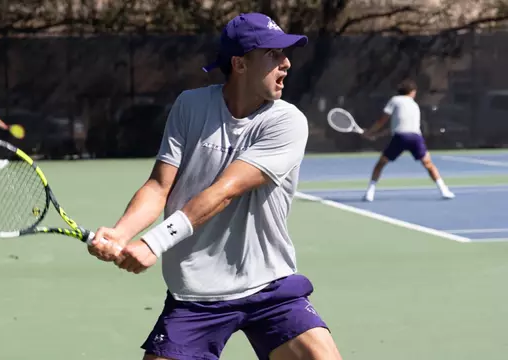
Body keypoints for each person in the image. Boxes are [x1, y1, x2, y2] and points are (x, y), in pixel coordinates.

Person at [88, 12, 342, 360]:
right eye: (273, 55)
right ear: (239, 63)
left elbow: (225, 190)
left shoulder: (287, 121)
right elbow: (159, 185)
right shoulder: (190, 106)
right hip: (195, 293)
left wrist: (153, 241)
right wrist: (121, 232)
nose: (286, 64)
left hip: (269, 283)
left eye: (286, 54)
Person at [361, 79, 455, 201]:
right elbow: (399, 127)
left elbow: (383, 121)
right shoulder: (413, 105)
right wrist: (375, 134)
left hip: (401, 137)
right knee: (428, 164)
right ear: (412, 92)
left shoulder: (395, 100)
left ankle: (370, 193)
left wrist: (369, 132)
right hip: (415, 138)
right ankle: (444, 191)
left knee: (380, 164)